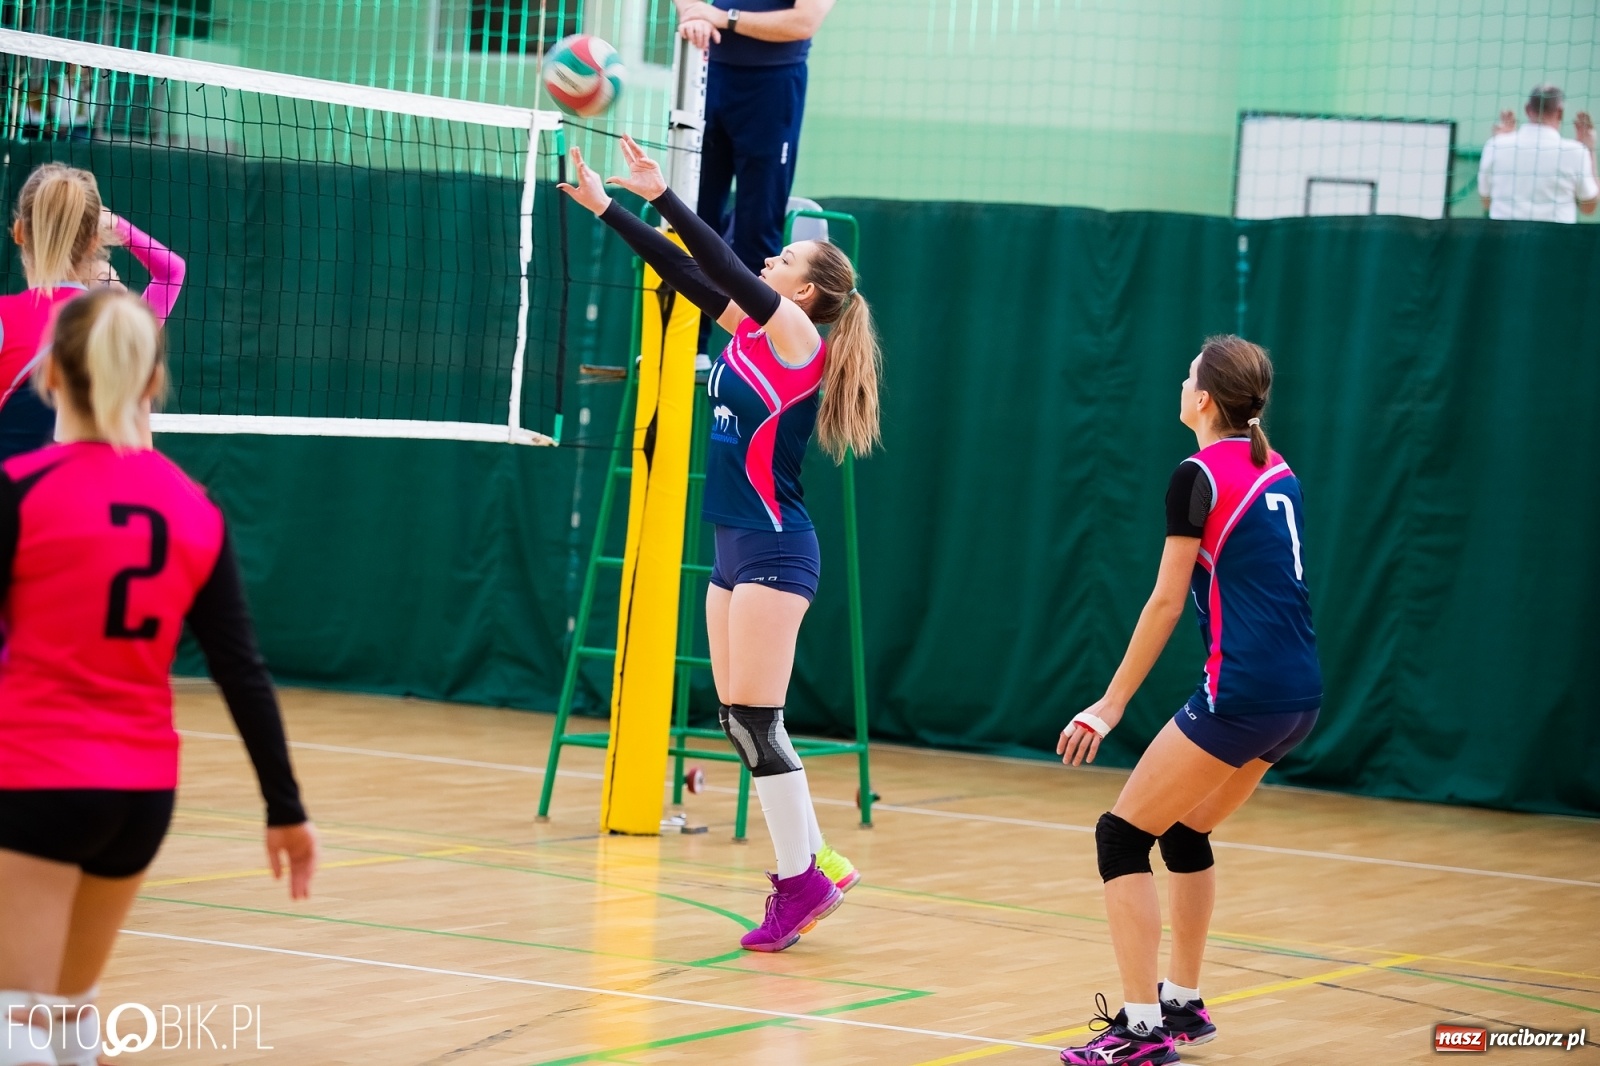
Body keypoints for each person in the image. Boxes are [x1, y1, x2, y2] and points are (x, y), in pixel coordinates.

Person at [558, 134, 880, 952]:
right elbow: (691, 276)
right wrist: (609, 210)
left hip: (777, 548)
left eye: (784, 259)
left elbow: (728, 269)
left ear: (804, 291)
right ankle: (815, 863)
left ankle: (797, 883)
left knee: (758, 720)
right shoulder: (749, 335)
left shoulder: (799, 343)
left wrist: (665, 195)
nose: (768, 261)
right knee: (739, 720)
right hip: (734, 548)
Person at [0, 290, 317, 1066]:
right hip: (141, 794)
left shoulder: (19, 489)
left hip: (38, 778)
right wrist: (285, 809)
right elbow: (242, 671)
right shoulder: (195, 507)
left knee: (17, 1023)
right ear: (152, 385)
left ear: (47, 382)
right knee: (70, 1016)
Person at [1055, 336, 1321, 1066]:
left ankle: (1141, 1031)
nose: (1180, 383)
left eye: (1188, 377)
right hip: (1299, 695)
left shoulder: (1196, 475)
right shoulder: (1277, 468)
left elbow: (1167, 600)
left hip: (1243, 691)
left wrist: (1108, 706)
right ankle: (1182, 1002)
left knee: (1121, 837)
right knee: (1182, 831)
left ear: (1204, 399)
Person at [674, 1, 836, 275]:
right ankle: (690, 319)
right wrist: (692, 13)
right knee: (692, 221)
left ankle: (753, 319)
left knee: (757, 231)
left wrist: (724, 18)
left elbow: (804, 23)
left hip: (773, 85)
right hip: (705, 73)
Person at [0, 164, 103, 462]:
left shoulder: (6, 317)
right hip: (90, 502)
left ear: (19, 232)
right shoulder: (118, 322)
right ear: (94, 241)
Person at [1479, 84, 1598, 222]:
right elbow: (1589, 208)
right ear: (1560, 112)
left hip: (1505, 240)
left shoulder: (1495, 145)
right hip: (1554, 240)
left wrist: (1503, 140)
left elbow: (1486, 202)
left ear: (1527, 109)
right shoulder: (1575, 151)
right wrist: (1589, 150)